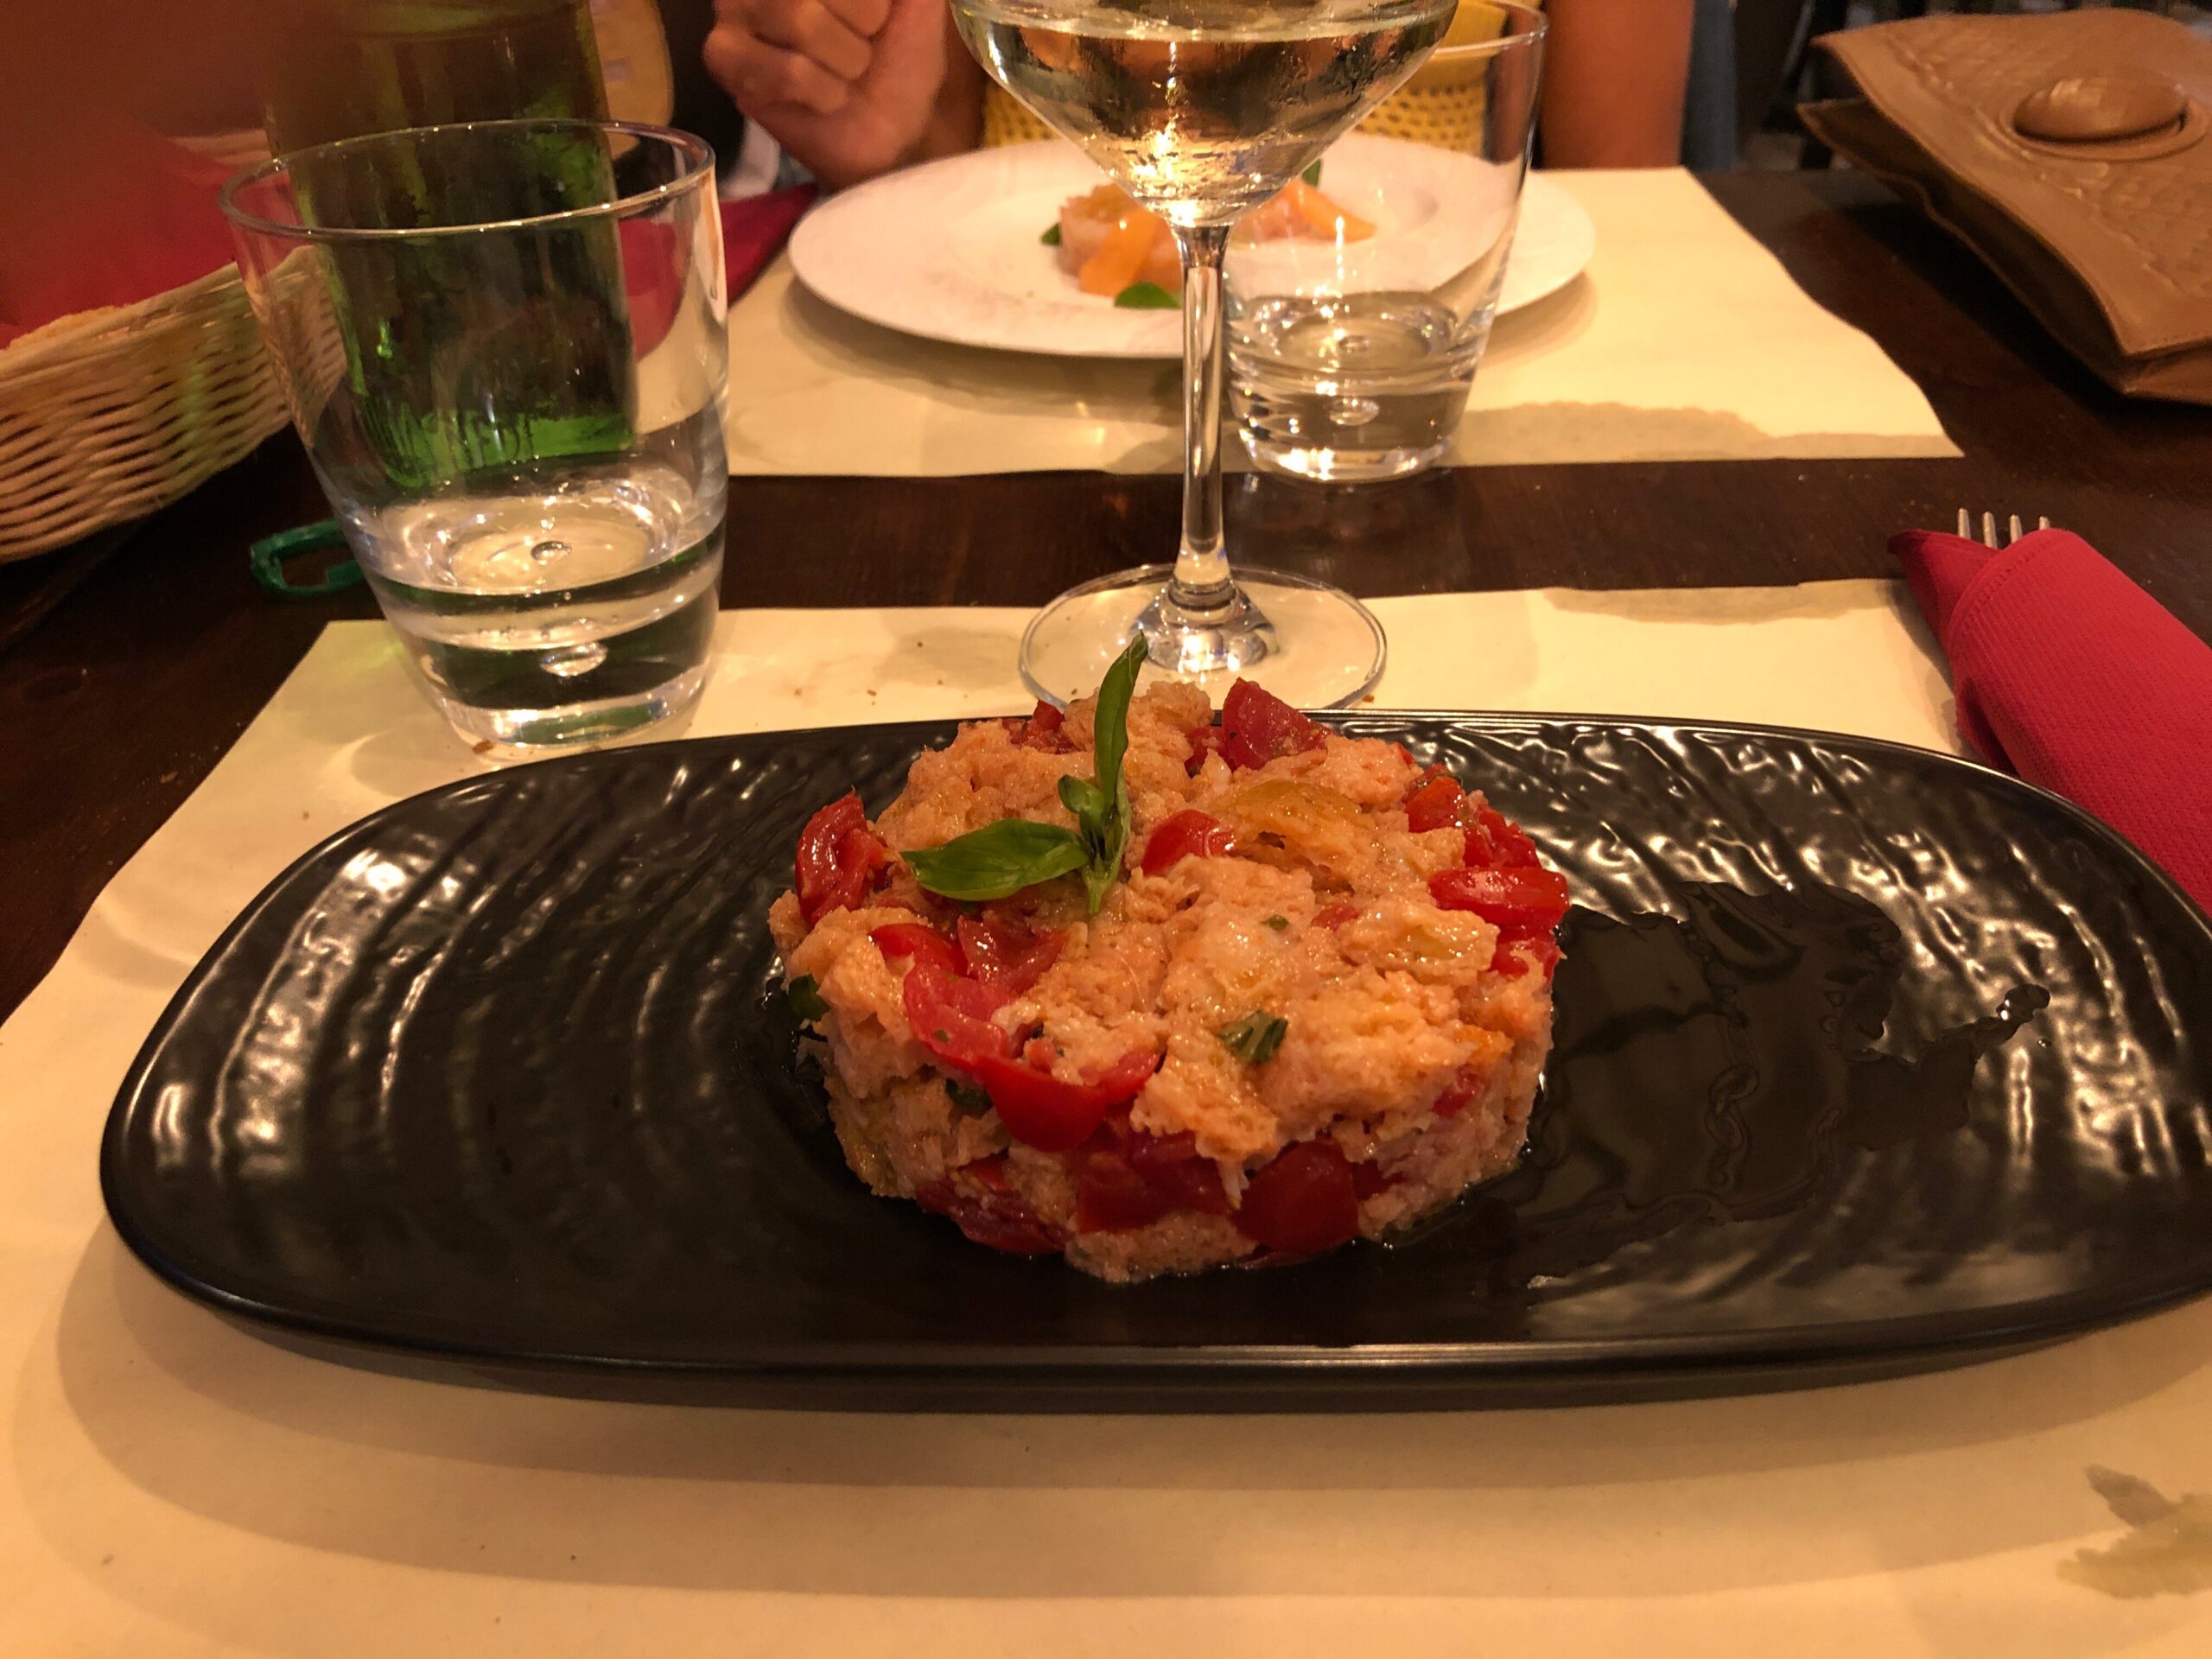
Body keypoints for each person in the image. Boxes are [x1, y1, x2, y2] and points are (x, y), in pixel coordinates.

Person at [703, 0, 1700, 191]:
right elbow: (939, 146)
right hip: (1010, 379)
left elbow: (1626, 201)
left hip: (1388, 385)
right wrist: (884, 138)